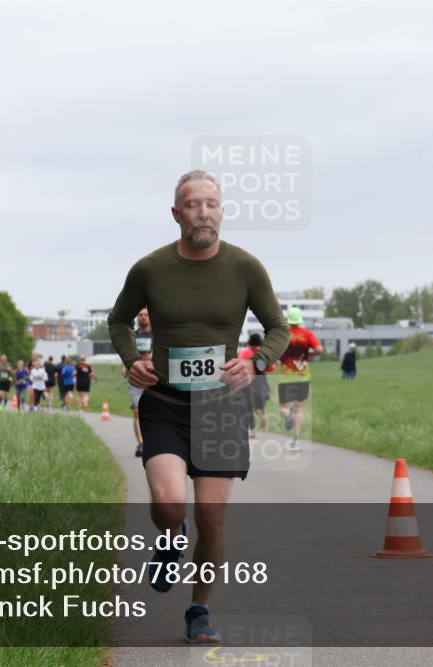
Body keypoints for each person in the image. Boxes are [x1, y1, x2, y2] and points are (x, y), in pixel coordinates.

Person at [107, 170, 288, 643]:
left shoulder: (246, 267)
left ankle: (199, 611)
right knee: (169, 503)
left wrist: (256, 364)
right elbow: (118, 320)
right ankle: (170, 538)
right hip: (165, 403)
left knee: (212, 517)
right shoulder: (150, 269)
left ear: (222, 211)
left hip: (222, 408)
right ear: (176, 214)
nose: (203, 212)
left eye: (211, 203)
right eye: (193, 204)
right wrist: (132, 361)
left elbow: (278, 329)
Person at [278, 307, 323, 451]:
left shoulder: (282, 334)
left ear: (288, 320)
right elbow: (319, 350)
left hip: (286, 378)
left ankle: (287, 416)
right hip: (303, 377)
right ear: (300, 320)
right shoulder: (307, 334)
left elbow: (275, 352)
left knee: (283, 407)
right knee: (299, 408)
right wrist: (309, 353)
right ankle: (296, 441)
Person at [122, 308, 154, 456]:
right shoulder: (132, 336)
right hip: (136, 378)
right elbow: (125, 355)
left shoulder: (158, 334)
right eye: (140, 315)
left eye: (146, 314)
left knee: (155, 412)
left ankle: (155, 442)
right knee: (137, 411)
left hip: (155, 378)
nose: (143, 317)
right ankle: (141, 444)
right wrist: (124, 368)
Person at [237, 333, 275, 439]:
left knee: (248, 407)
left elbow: (240, 365)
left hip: (248, 380)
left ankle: (252, 431)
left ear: (249, 342)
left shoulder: (245, 352)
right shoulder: (262, 352)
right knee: (260, 401)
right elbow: (272, 367)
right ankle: (261, 413)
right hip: (261, 379)